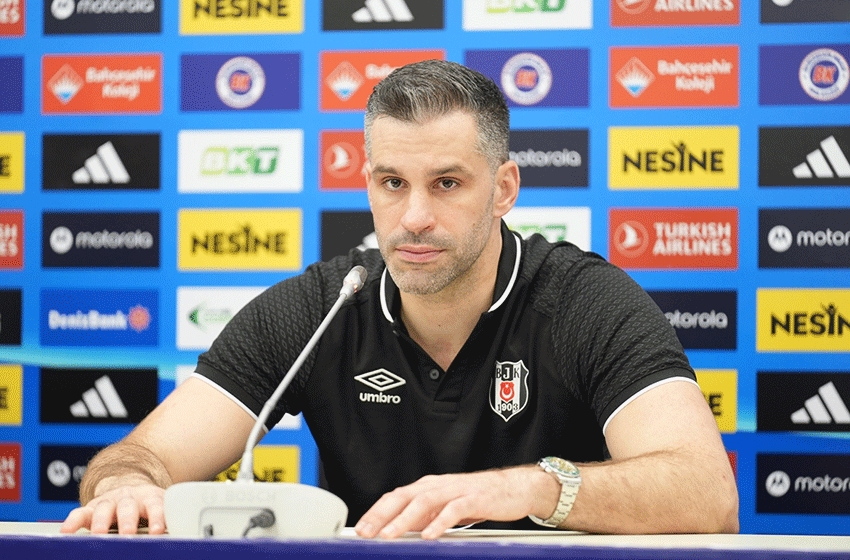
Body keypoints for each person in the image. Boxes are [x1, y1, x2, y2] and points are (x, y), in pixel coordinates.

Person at [61, 60, 738, 538]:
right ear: (368, 184)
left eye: (447, 184)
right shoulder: (320, 307)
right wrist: (126, 488)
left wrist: (524, 487)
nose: (413, 217)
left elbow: (707, 494)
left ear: (503, 189)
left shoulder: (585, 302)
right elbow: (138, 458)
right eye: (392, 183)